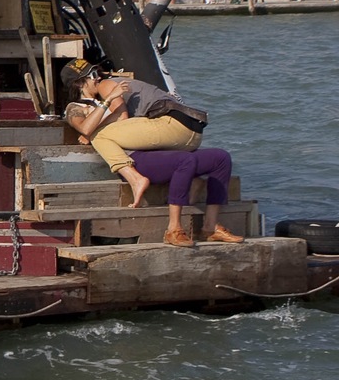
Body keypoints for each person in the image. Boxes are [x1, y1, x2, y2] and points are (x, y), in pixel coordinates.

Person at [65, 62, 207, 207]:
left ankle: (135, 179)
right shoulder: (75, 107)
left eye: (99, 73)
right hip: (191, 128)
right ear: (79, 84)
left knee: (99, 136)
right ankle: (194, 178)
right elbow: (86, 126)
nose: (98, 78)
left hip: (171, 123)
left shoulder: (106, 85)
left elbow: (121, 117)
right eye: (93, 75)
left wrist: (92, 132)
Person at [128, 147, 242, 247]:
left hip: (171, 151)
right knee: (184, 159)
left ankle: (210, 228)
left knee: (221, 158)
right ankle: (173, 229)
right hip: (136, 158)